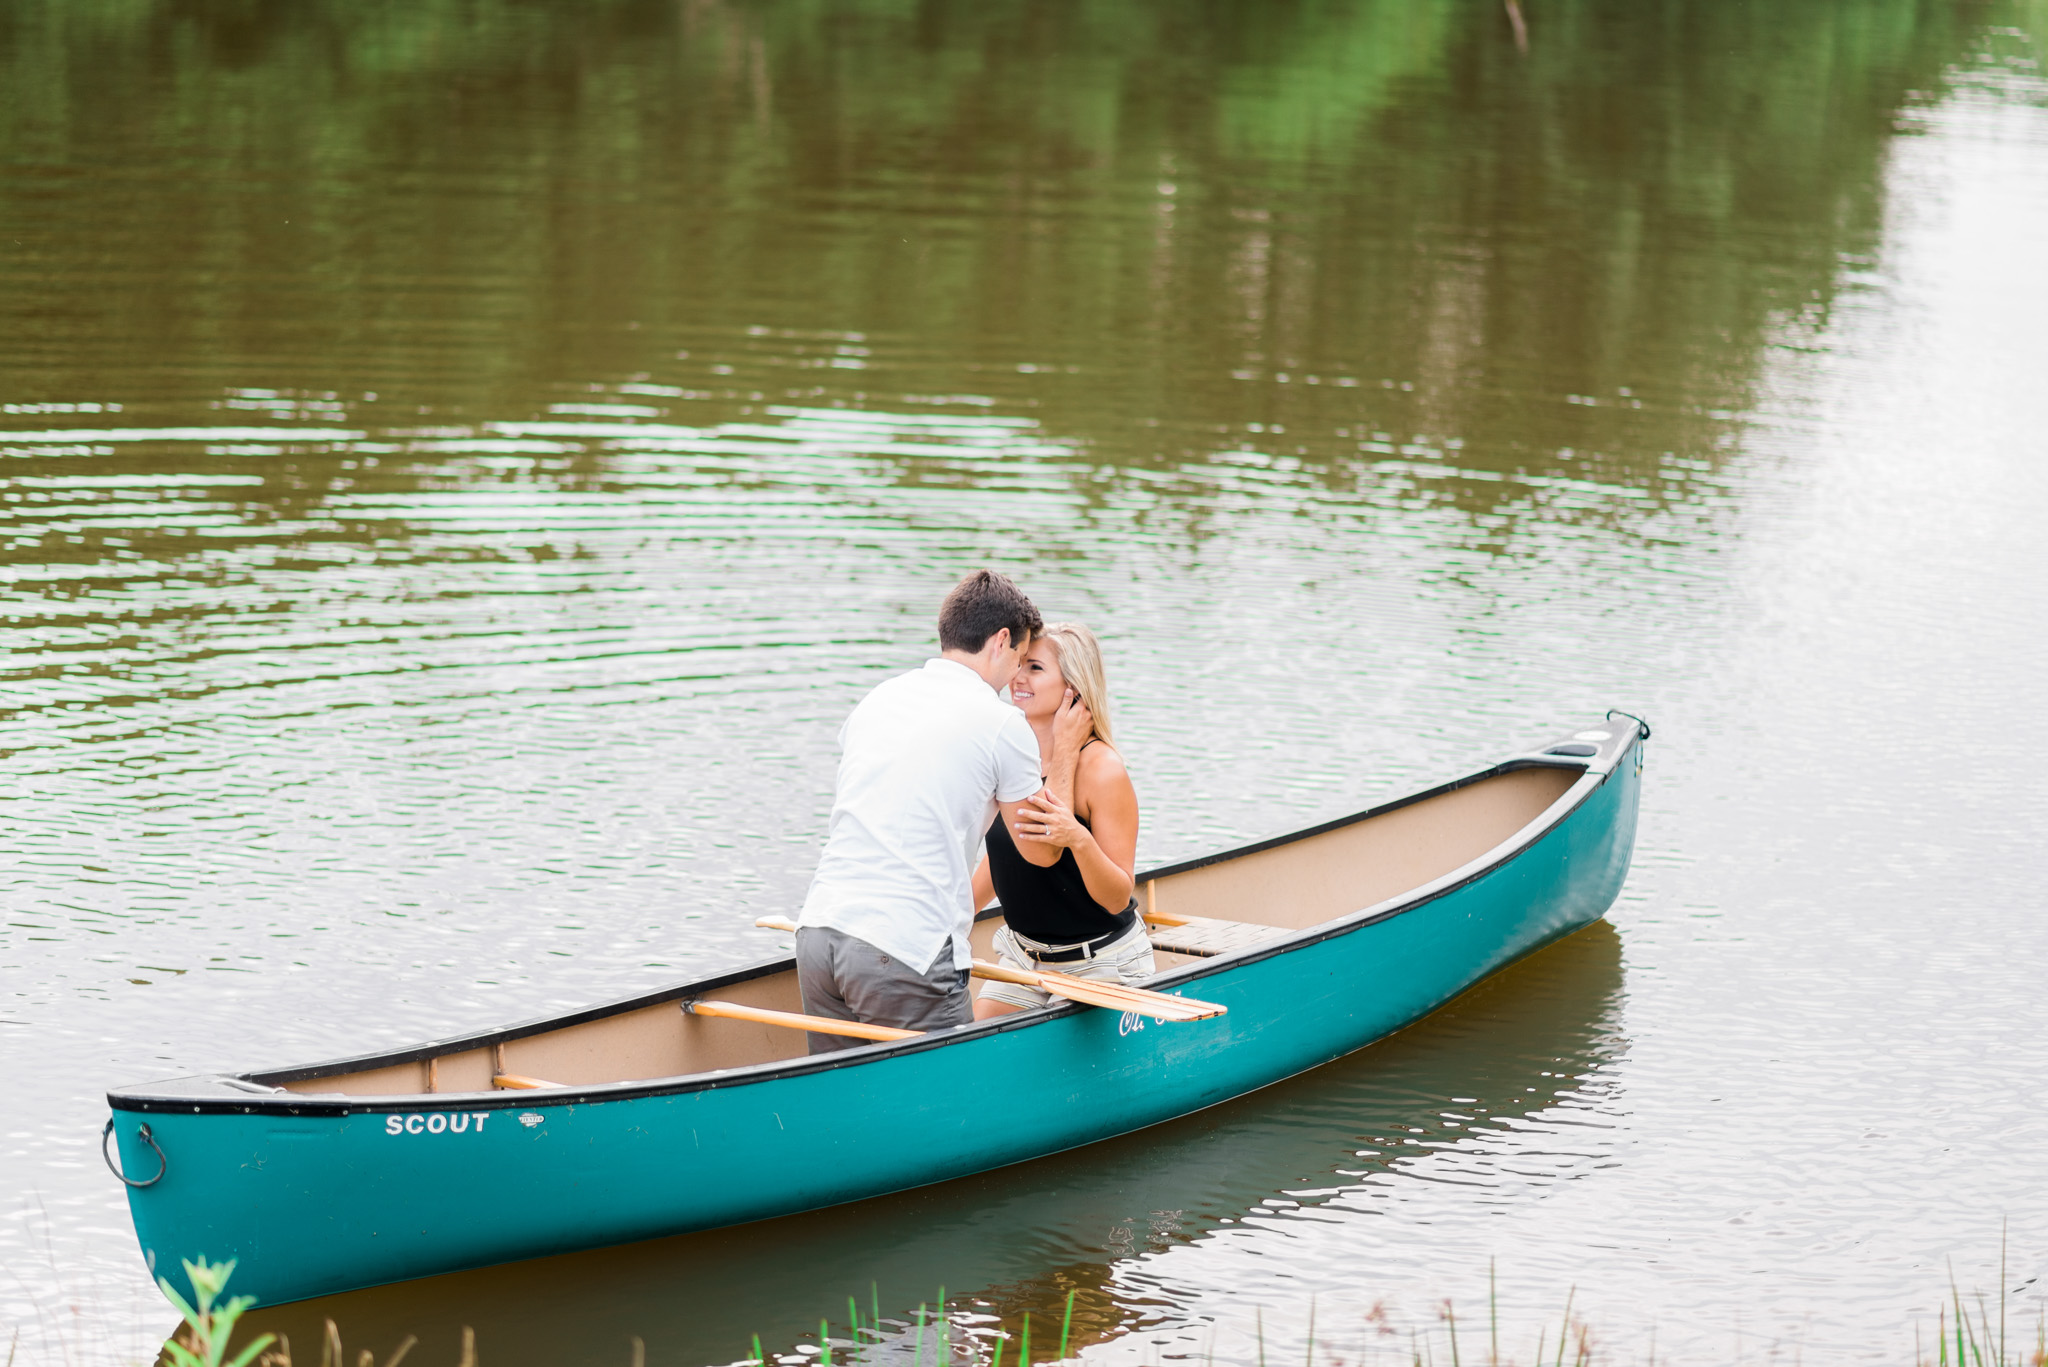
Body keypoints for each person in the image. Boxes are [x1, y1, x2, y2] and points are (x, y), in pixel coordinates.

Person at [794, 570, 1063, 1052]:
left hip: (820, 933)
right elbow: (1038, 854)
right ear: (1001, 641)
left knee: (843, 1103)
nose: (1015, 677)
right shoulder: (1002, 723)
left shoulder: (879, 699)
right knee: (952, 1101)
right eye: (1020, 658)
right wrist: (1063, 758)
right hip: (903, 948)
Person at [971, 622, 1154, 1018]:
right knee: (977, 1046)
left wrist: (1079, 840)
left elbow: (1117, 896)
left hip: (1102, 963)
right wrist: (952, 916)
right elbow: (1006, 853)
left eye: (1035, 668)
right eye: (1019, 663)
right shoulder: (1012, 753)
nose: (1018, 676)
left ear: (1073, 687)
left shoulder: (1103, 769)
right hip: (1024, 957)